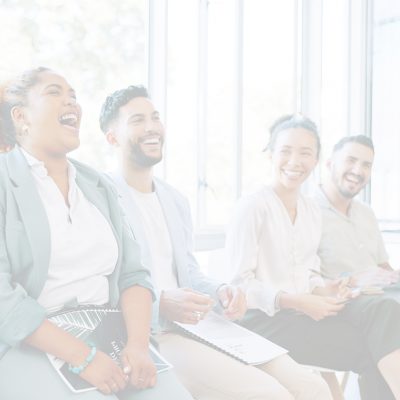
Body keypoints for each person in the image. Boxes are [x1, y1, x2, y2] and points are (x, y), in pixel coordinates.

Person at [99, 85, 332, 400]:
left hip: (201, 326)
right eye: (138, 120)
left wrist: (221, 291)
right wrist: (161, 303)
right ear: (112, 137)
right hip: (152, 334)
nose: (152, 126)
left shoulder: (174, 199)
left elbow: (189, 273)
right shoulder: (102, 198)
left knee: (313, 387)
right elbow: (98, 287)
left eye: (155, 117)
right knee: (270, 394)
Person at [0, 67, 193, 400]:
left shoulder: (98, 185)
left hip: (110, 333)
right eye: (54, 92)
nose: (71, 102)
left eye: (73, 96)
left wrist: (138, 345)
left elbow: (133, 275)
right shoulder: (5, 181)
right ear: (20, 116)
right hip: (33, 341)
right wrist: (82, 356)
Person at [225, 114, 400, 400]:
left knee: (380, 336)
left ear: (317, 160)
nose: (295, 161)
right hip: (261, 322)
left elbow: (309, 273)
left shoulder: (309, 210)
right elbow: (239, 285)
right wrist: (298, 301)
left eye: (305, 153)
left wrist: (325, 289)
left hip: (301, 314)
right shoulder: (252, 206)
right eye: (286, 151)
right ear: (270, 154)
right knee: (376, 341)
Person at [315, 135, 400, 289]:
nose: (358, 171)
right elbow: (301, 281)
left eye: (366, 165)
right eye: (351, 160)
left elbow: (383, 266)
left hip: (381, 296)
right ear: (329, 164)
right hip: (342, 300)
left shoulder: (366, 213)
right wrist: (351, 280)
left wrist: (394, 277)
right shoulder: (307, 212)